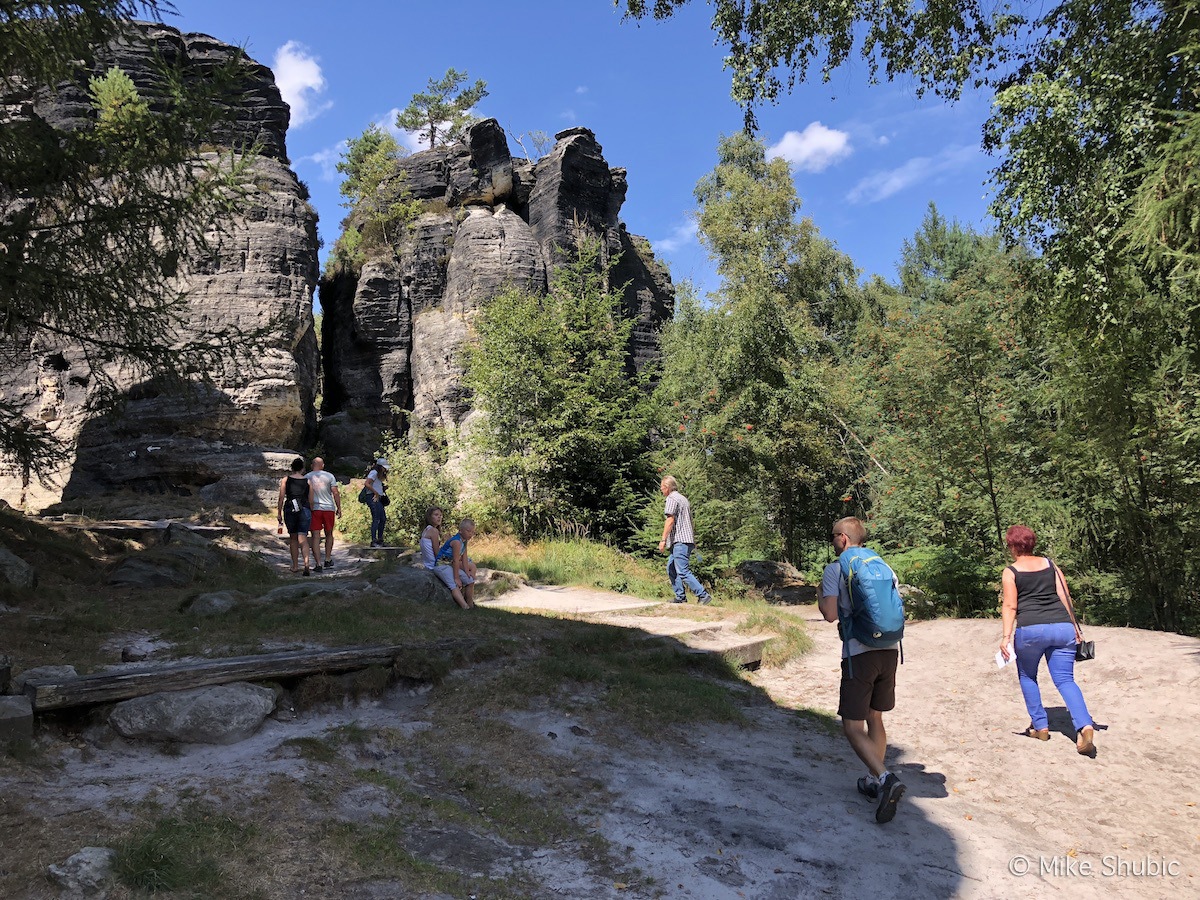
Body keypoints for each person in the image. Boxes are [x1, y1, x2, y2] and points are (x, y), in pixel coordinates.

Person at [819, 516, 906, 824]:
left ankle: (884, 778)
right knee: (875, 718)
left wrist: (821, 594)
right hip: (890, 651)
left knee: (852, 727)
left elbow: (830, 615)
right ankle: (873, 781)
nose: (832, 541)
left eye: (833, 536)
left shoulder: (837, 568)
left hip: (859, 654)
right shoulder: (883, 565)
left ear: (843, 538)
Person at [999, 524, 1095, 755]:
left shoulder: (1011, 572)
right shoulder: (1051, 565)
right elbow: (1064, 595)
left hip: (1031, 630)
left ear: (1012, 546)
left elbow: (1011, 605)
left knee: (1027, 675)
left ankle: (1040, 727)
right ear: (1032, 543)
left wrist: (1005, 637)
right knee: (1065, 680)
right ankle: (1085, 726)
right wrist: (1074, 627)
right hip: (1062, 628)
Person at [657, 476, 711, 605]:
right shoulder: (683, 499)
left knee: (682, 570)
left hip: (680, 541)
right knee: (671, 568)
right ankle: (680, 597)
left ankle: (703, 595)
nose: (661, 490)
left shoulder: (671, 499)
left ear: (668, 488)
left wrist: (663, 540)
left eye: (662, 488)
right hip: (686, 540)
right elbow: (689, 521)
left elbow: (670, 520)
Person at [420, 507, 472, 609]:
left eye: (440, 515)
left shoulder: (426, 530)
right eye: (436, 515)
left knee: (468, 564)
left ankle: (469, 600)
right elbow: (436, 553)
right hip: (434, 563)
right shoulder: (433, 531)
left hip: (429, 562)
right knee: (470, 565)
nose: (439, 517)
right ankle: (466, 604)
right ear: (429, 517)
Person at [277, 457, 316, 576]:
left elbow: (281, 497)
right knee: (303, 538)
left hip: (290, 509)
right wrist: (312, 510)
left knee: (293, 538)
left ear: (292, 468)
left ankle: (295, 566)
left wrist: (279, 512)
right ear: (303, 469)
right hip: (304, 509)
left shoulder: (285, 480)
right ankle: (306, 564)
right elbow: (311, 500)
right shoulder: (308, 481)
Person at [306, 457, 342, 568]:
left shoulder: (307, 477)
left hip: (314, 509)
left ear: (312, 465)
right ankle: (327, 558)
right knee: (329, 534)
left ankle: (318, 563)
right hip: (328, 508)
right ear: (323, 465)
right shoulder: (329, 476)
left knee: (315, 536)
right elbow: (335, 493)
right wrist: (339, 507)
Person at [436, 518, 477, 607]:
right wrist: (457, 578)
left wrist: (467, 572)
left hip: (450, 565)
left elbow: (464, 558)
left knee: (470, 580)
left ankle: (470, 604)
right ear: (460, 531)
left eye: (472, 532)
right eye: (468, 531)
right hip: (442, 565)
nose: (470, 534)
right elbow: (455, 560)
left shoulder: (464, 541)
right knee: (453, 585)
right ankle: (464, 606)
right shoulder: (456, 542)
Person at [364, 457, 389, 548]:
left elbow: (375, 485)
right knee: (376, 518)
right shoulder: (374, 473)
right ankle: (374, 540)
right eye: (384, 467)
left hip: (378, 497)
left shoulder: (379, 475)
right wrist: (375, 493)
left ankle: (380, 539)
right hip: (372, 497)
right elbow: (367, 483)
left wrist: (383, 489)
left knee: (383, 518)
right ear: (380, 466)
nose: (385, 469)